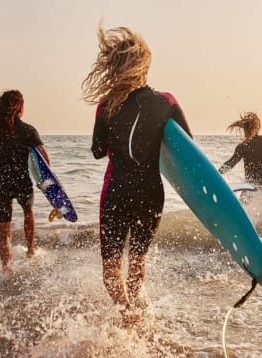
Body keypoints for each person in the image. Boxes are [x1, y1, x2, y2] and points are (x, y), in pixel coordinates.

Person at [82, 26, 192, 328]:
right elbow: (186, 147)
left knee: (110, 267)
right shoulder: (166, 102)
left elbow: (96, 151)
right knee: (137, 263)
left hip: (117, 191)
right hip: (150, 193)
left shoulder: (106, 105)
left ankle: (126, 314)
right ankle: (136, 320)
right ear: (145, 65)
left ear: (115, 66)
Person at [0, 90, 50, 272]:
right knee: (28, 211)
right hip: (22, 181)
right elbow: (45, 160)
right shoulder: (28, 130)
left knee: (4, 234)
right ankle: (31, 250)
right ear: (20, 107)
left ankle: (7, 269)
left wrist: (1, 155)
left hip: (1, 183)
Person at [218, 112, 262, 196]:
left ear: (244, 129)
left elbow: (229, 165)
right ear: (258, 128)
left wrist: (215, 174)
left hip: (249, 188)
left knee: (245, 206)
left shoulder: (243, 146)